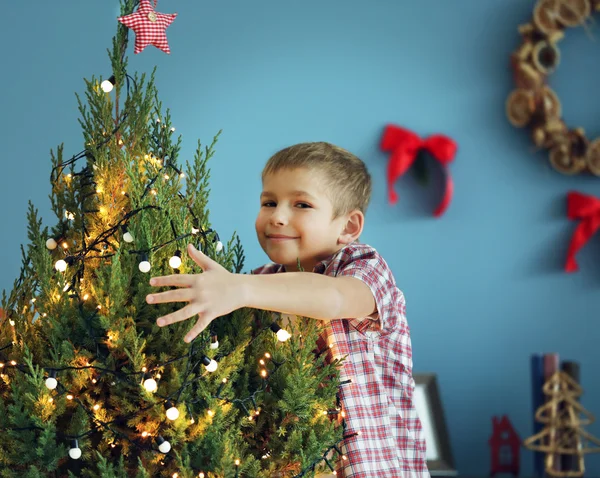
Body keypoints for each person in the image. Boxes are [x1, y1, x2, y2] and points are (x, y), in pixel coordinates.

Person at [146, 142, 429, 477]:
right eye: (269, 202)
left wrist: (239, 288)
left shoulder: (361, 266)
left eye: (301, 204)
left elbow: (334, 299)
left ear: (348, 228)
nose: (277, 216)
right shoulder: (260, 283)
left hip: (367, 467)